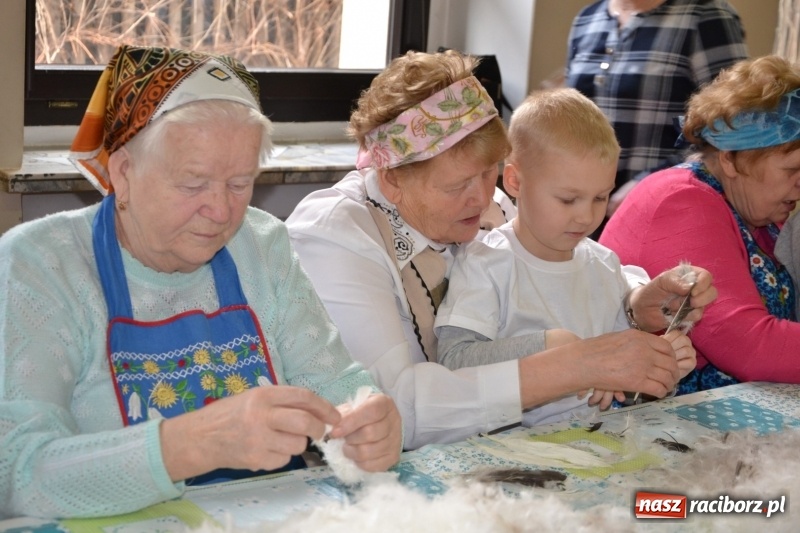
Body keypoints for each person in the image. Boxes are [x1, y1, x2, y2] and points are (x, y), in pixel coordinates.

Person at [0, 46, 401, 520]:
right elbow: (17, 475)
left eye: (240, 183)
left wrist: (372, 419)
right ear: (123, 172)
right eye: (193, 184)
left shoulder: (261, 243)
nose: (222, 210)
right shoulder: (41, 264)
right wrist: (192, 444)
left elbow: (337, 384)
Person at [286, 50, 715, 450]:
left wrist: (637, 308)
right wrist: (571, 366)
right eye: (457, 186)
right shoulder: (336, 234)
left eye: (489, 172)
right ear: (393, 178)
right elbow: (388, 408)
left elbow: (564, 275)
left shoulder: (495, 203)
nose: (481, 198)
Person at [435, 88, 703, 425]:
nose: (585, 216)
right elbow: (452, 363)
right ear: (515, 181)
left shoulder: (605, 265)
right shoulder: (485, 263)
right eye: (567, 199)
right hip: (508, 449)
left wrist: (661, 365)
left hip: (593, 443)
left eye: (599, 197)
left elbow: (620, 393)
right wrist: (552, 348)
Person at [600, 54, 800, 393]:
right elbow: (751, 347)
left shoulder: (761, 218)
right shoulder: (680, 202)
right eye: (792, 170)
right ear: (731, 159)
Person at [565, 0, 748, 229]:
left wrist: (648, 183)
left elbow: (735, 124)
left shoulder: (705, 15)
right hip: (582, 216)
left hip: (664, 214)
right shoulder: (587, 19)